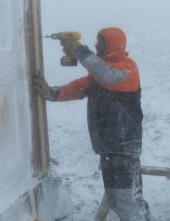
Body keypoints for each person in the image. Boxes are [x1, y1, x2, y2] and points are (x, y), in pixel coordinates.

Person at [33, 27, 151, 221]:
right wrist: (52, 93)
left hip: (124, 150)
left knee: (129, 204)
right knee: (117, 200)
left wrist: (79, 50)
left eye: (101, 42)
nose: (97, 45)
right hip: (109, 149)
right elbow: (79, 87)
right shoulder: (100, 71)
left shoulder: (127, 68)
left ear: (113, 45)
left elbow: (107, 75)